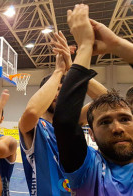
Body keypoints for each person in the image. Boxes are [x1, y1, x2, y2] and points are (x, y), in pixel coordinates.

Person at [53, 4, 133, 196]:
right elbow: (64, 120)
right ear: (92, 134)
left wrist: (117, 44)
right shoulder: (89, 169)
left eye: (125, 118)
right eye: (104, 122)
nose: (117, 128)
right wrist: (85, 48)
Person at [18, 30, 107, 195]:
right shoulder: (34, 126)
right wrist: (58, 71)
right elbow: (32, 111)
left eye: (62, 90)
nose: (58, 94)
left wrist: (73, 68)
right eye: (54, 89)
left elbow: (107, 100)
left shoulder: (71, 122)